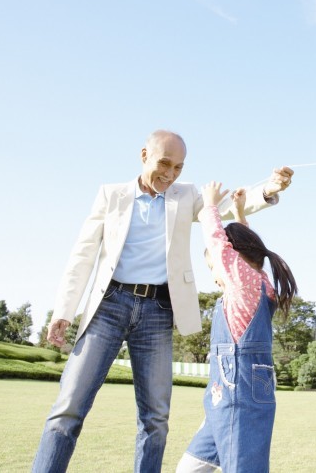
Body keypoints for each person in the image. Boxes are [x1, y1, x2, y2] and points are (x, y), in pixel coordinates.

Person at [31, 130, 293, 473]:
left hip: (157, 310)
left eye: (179, 168)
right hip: (109, 306)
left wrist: (269, 189)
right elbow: (83, 255)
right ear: (144, 155)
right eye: (164, 164)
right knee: (68, 408)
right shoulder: (111, 196)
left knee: (155, 420)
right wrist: (64, 311)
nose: (170, 175)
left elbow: (227, 207)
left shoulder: (185, 196)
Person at [176, 181, 298, 473]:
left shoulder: (246, 285)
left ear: (235, 263)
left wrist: (210, 206)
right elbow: (246, 248)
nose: (216, 277)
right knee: (190, 468)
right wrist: (240, 213)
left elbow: (221, 246)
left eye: (213, 269)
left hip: (238, 398)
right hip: (223, 400)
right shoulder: (258, 281)